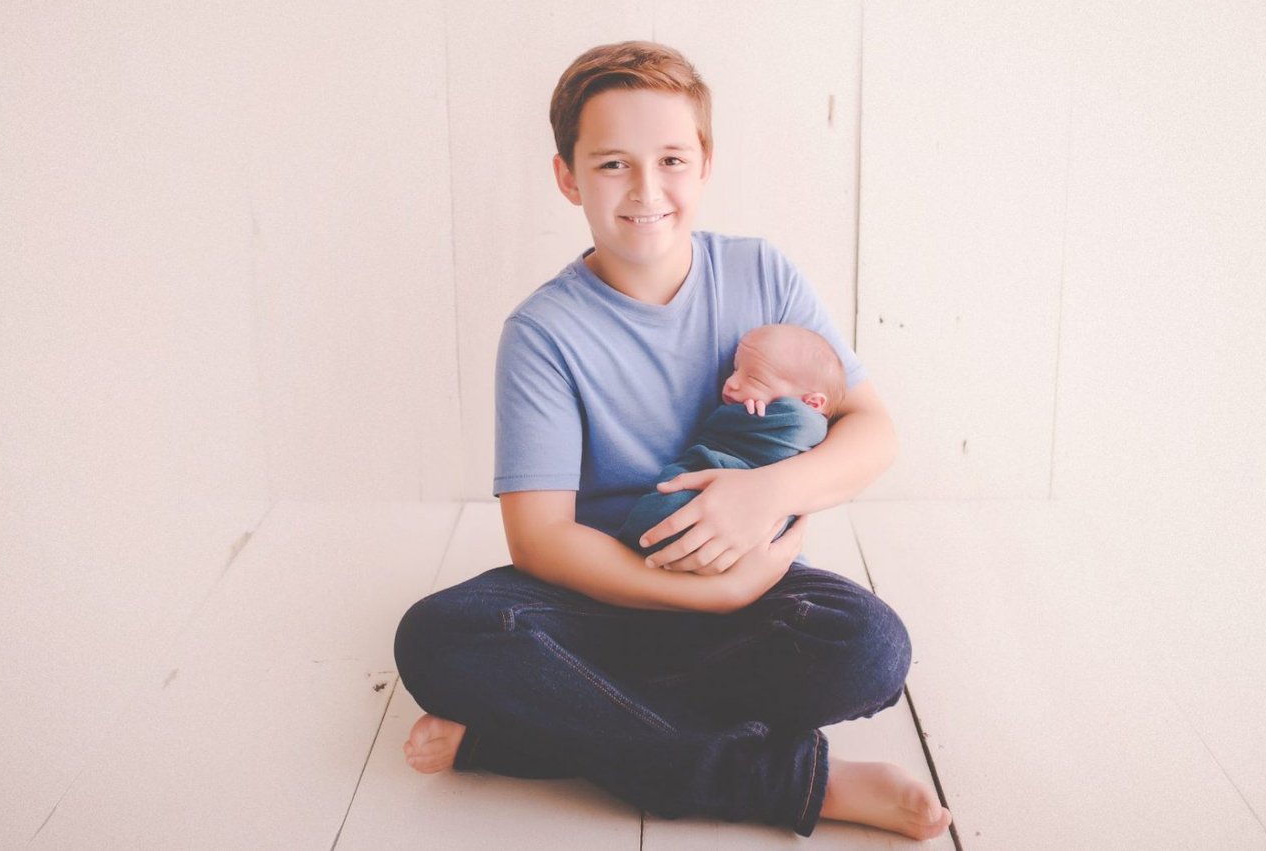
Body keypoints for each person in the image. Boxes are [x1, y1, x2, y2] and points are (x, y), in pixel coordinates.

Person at [393, 41, 951, 841]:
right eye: (613, 164)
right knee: (436, 638)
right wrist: (700, 594)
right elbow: (540, 536)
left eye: (671, 160)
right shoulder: (543, 331)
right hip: (598, 594)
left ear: (705, 163)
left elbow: (873, 430)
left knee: (870, 647)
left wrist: (770, 493)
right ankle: (791, 781)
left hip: (748, 589)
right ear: (567, 176)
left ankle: (535, 730)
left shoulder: (763, 273)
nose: (646, 190)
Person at [618, 323, 844, 556]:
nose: (731, 383)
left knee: (657, 518)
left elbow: (796, 432)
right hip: (714, 513)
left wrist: (750, 418)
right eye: (735, 370)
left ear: (812, 404)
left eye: (755, 380)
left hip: (759, 533)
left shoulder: (800, 421)